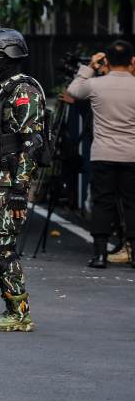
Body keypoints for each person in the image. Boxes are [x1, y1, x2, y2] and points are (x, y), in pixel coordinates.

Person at [0, 28, 46, 333]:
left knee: (2, 247)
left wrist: (19, 189)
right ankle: (14, 308)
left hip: (9, 181)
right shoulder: (3, 89)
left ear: (6, 57)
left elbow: (32, 141)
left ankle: (18, 312)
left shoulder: (23, 91)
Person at [66, 40, 135, 269]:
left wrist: (89, 67)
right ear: (132, 61)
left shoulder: (96, 85)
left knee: (102, 203)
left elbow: (73, 91)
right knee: (131, 204)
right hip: (132, 154)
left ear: (107, 61)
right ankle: (133, 254)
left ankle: (99, 255)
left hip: (103, 153)